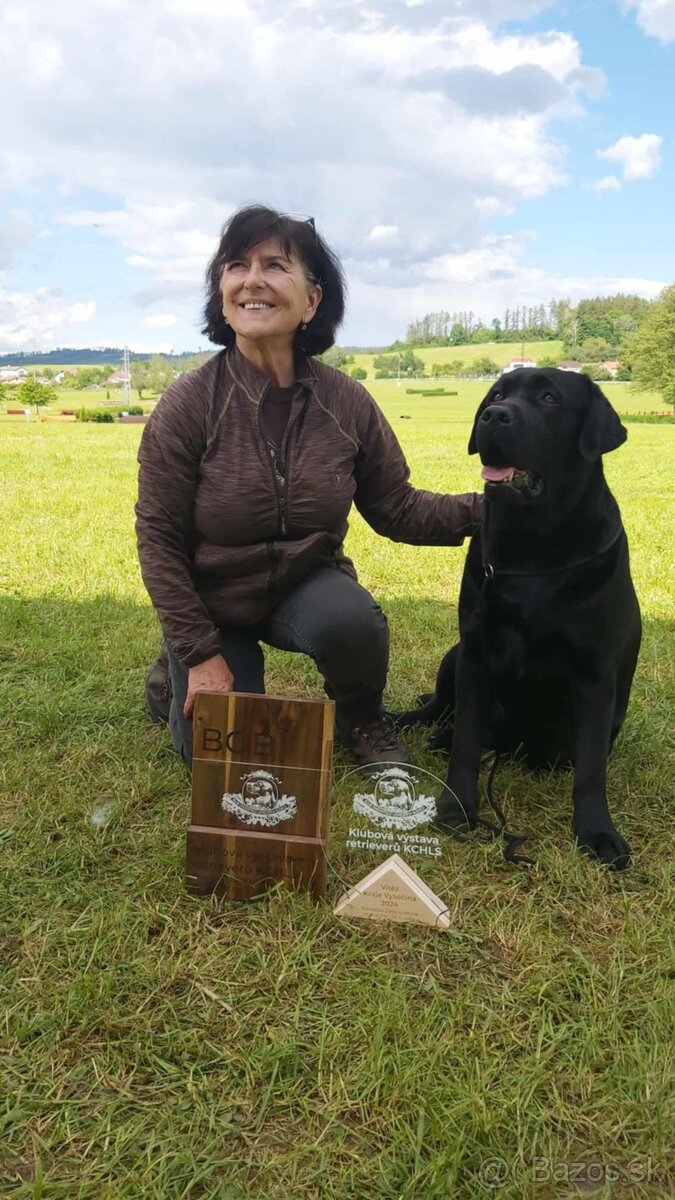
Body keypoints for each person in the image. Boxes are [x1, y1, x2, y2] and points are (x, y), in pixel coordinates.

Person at [136, 205, 482, 773]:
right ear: (221, 290)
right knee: (231, 758)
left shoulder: (345, 402)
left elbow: (398, 507)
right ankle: (177, 669)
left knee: (353, 621)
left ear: (313, 300)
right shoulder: (189, 404)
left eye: (275, 266)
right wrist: (200, 654)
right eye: (235, 266)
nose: (252, 280)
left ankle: (362, 718)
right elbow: (158, 538)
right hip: (213, 600)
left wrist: (492, 512)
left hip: (304, 581)